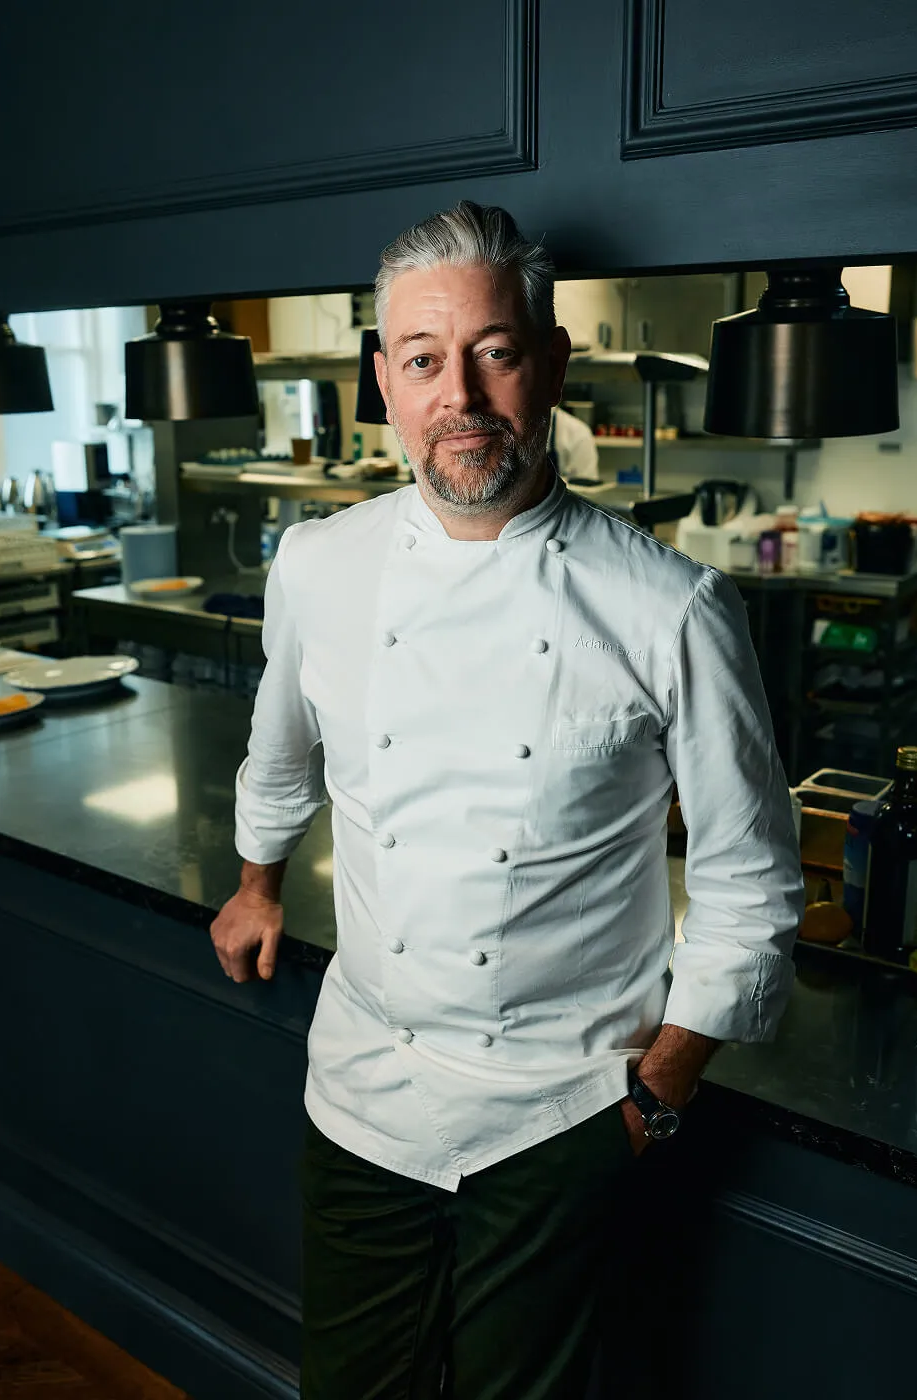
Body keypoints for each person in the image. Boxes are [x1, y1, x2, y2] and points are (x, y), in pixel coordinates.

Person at [210, 201, 804, 1400]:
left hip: (555, 1113)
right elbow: (283, 752)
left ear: (553, 364)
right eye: (424, 360)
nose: (461, 398)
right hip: (362, 1087)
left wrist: (657, 1091)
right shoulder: (319, 569)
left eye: (494, 351)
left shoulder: (671, 607)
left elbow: (750, 882)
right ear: (382, 379)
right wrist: (256, 881)